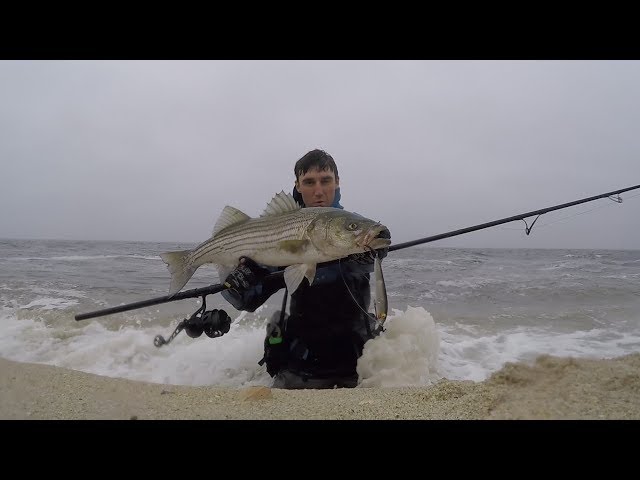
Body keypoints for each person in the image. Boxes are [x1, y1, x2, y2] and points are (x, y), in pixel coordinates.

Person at [221, 149, 391, 389]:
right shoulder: (276, 235)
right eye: (309, 182)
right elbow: (247, 300)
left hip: (358, 359)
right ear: (298, 186)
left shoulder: (354, 227)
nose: (319, 191)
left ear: (337, 182)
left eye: (326, 181)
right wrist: (240, 283)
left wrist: (375, 243)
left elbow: (371, 251)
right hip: (301, 364)